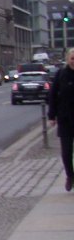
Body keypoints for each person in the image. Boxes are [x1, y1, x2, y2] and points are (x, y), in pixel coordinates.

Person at [47, 47, 74, 192]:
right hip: (66, 118)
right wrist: (52, 116)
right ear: (68, 59)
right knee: (66, 152)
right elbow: (52, 96)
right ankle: (70, 175)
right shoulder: (61, 74)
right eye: (72, 58)